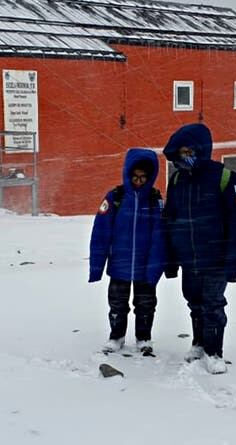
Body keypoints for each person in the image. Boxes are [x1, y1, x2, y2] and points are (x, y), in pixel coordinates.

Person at [161, 123, 236, 374]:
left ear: (201, 149)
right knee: (194, 302)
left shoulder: (227, 180)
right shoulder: (177, 180)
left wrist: (235, 262)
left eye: (188, 151)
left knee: (212, 304)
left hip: (216, 258)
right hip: (189, 259)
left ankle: (214, 352)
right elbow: (170, 219)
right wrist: (171, 260)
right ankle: (198, 343)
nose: (183, 156)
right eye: (180, 152)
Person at [88, 148, 165, 355]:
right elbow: (101, 233)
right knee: (117, 304)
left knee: (146, 304)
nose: (139, 181)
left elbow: (161, 236)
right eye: (135, 176)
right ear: (128, 174)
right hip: (119, 263)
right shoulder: (115, 197)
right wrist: (96, 267)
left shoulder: (155, 200)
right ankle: (117, 336)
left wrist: (157, 266)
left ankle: (144, 337)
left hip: (145, 265)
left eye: (143, 177)